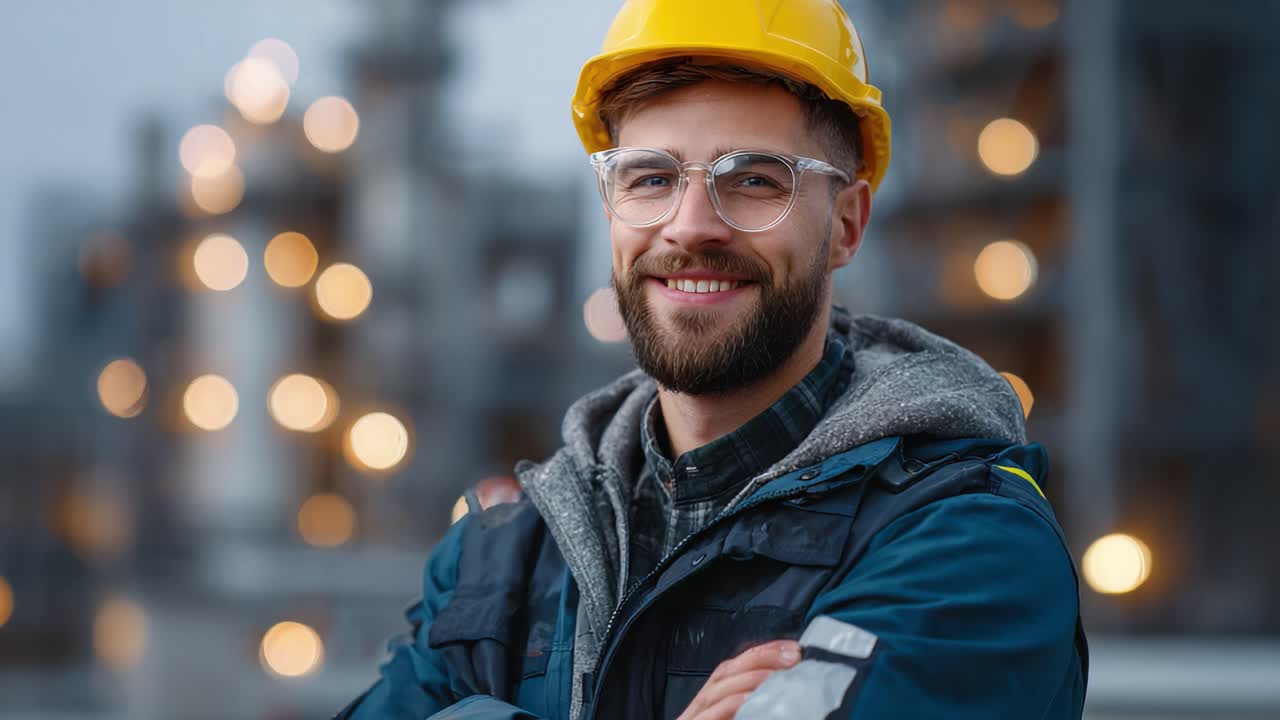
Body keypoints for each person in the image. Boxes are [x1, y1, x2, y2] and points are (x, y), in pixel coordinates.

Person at [337, 0, 1087, 718]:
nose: (691, 227)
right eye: (651, 178)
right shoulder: (496, 563)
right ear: (610, 208)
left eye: (755, 180)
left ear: (847, 225)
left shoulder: (963, 549)